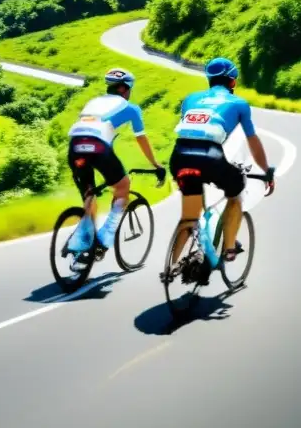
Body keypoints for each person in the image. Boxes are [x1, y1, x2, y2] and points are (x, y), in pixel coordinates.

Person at [168, 57, 275, 273]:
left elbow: (192, 132)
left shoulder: (190, 99)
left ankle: (170, 268)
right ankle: (228, 248)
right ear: (232, 82)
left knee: (190, 214)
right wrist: (267, 172)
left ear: (209, 80)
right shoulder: (239, 104)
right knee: (234, 194)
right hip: (209, 156)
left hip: (179, 156)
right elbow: (252, 142)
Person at [65, 68, 166, 270]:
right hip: (98, 147)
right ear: (125, 89)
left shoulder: (92, 103)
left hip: (75, 146)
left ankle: (82, 248)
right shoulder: (131, 108)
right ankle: (105, 237)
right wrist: (156, 165)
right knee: (122, 186)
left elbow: (89, 128)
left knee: (89, 197)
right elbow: (141, 139)